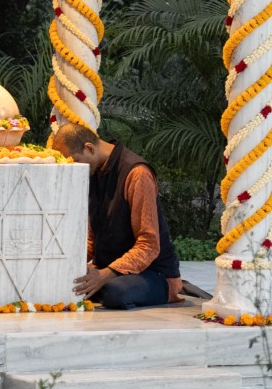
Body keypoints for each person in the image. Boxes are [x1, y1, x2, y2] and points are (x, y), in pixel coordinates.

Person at [52, 122, 212, 310]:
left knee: (115, 293)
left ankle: (174, 288)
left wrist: (104, 275)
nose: (73, 168)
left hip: (153, 273)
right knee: (60, 281)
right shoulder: (92, 172)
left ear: (89, 148)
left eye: (75, 161)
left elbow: (149, 246)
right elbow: (92, 239)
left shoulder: (137, 173)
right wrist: (65, 263)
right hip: (110, 270)